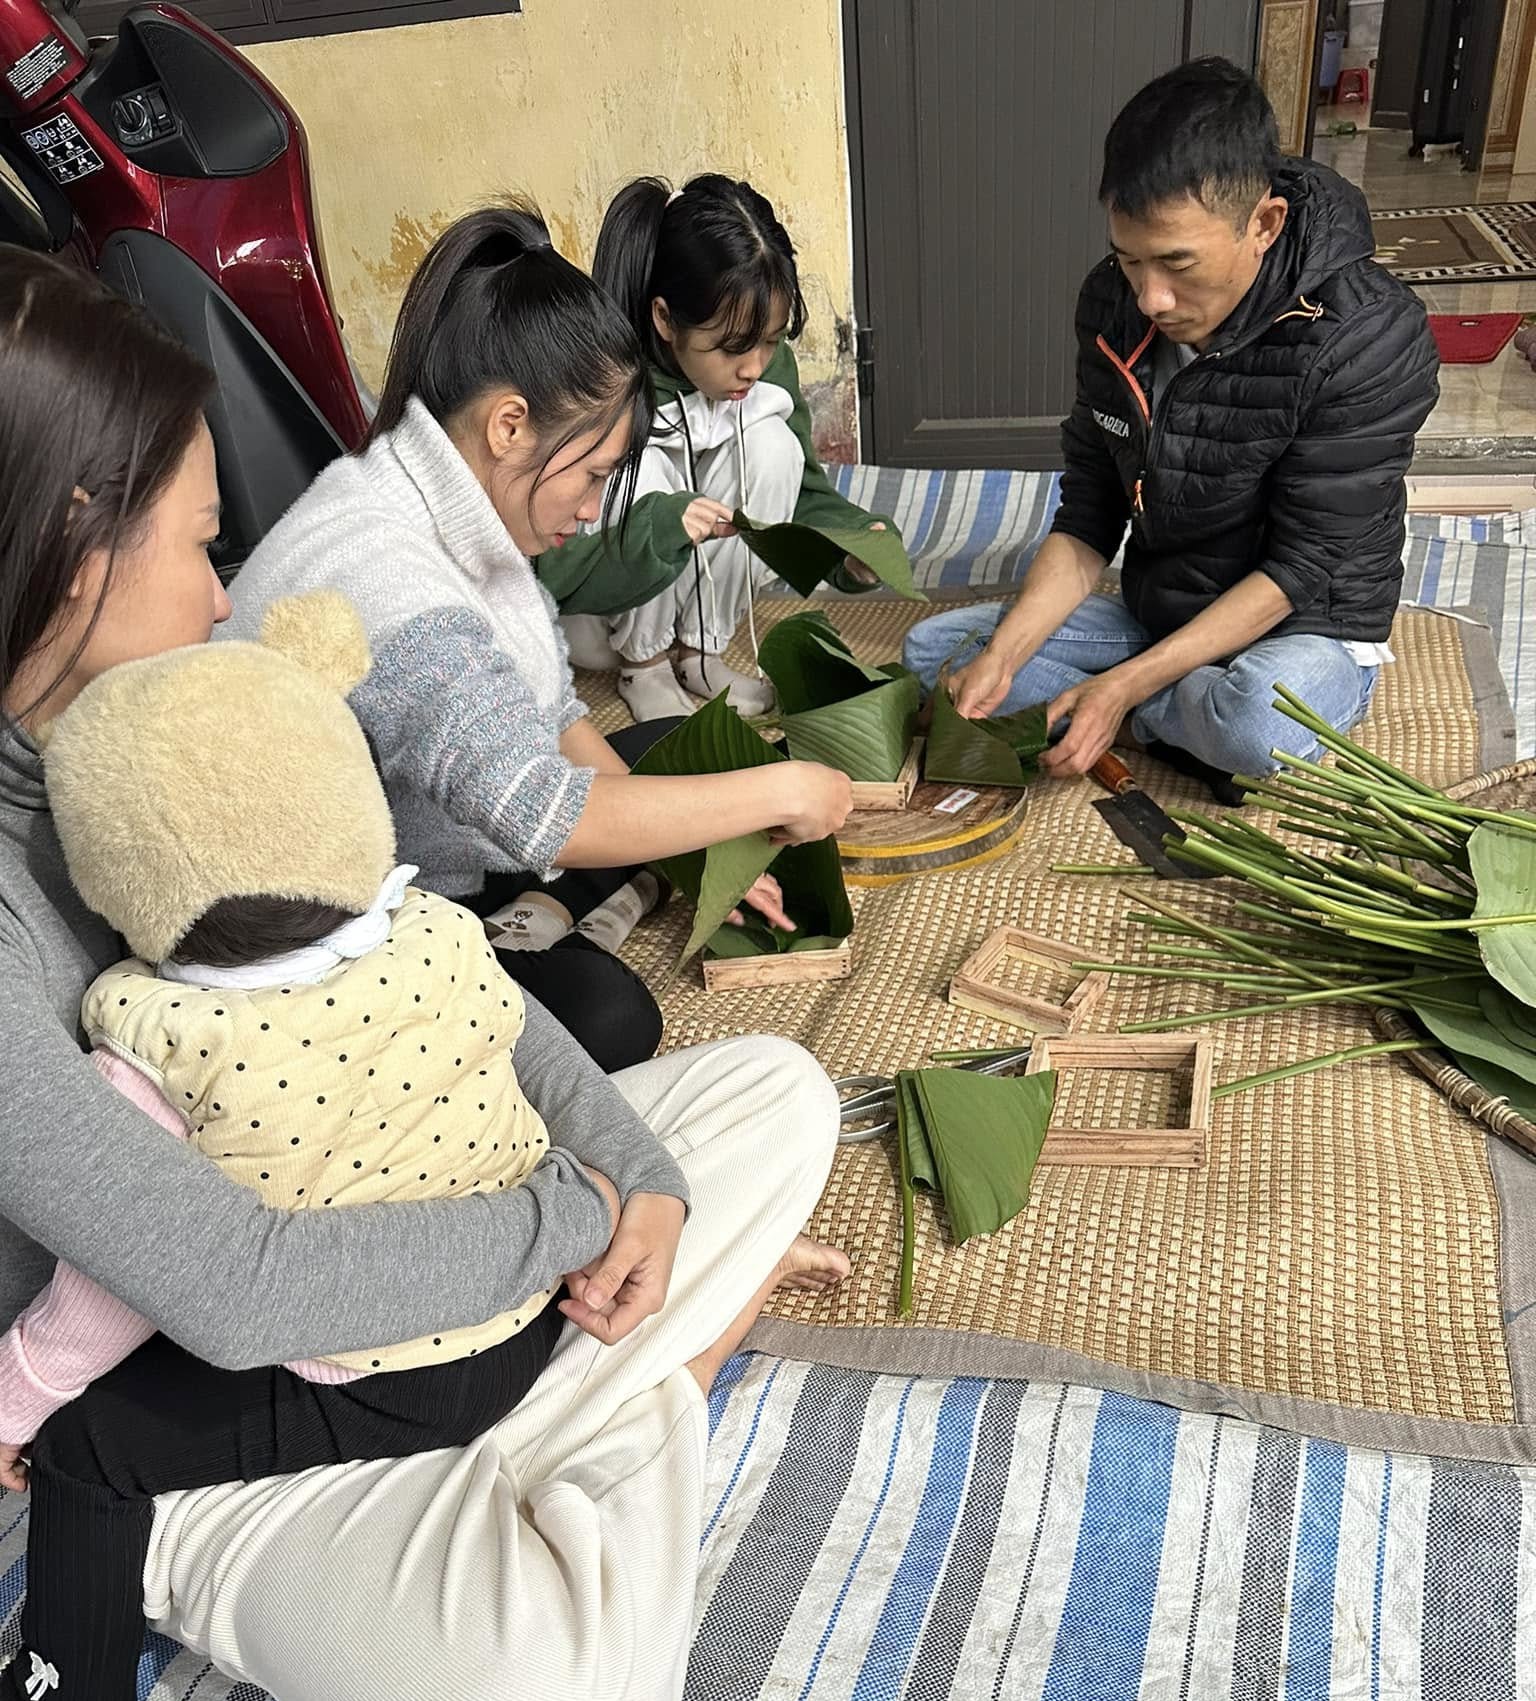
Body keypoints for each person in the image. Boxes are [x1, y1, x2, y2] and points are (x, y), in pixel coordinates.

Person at [0, 247, 844, 1701]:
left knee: (777, 1093)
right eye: (197, 545)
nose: (226, 592)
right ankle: (621, 1382)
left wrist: (641, 1173)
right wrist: (575, 1223)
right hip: (208, 1393)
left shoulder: (169, 712)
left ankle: (565, 1396)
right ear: (67, 549)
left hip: (400, 1228)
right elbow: (236, 1288)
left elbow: (404, 952)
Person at [227, 205, 854, 1072]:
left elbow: (559, 722)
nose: (596, 509)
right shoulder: (396, 584)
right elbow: (545, 813)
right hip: (337, 945)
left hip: (450, 827)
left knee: (679, 752)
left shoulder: (453, 498)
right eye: (595, 475)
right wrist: (775, 792)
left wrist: (703, 845)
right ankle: (521, 933)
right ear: (510, 425)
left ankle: (553, 913)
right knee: (609, 1018)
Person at [904, 58, 1439, 796]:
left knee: (1256, 724)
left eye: (1178, 264)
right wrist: (1007, 654)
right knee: (944, 652)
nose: (1151, 297)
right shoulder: (1112, 302)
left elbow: (1303, 566)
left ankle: (1132, 713)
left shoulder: (1369, 333)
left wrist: (1122, 688)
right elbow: (1091, 513)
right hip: (1164, 609)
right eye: (1129, 260)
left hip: (1303, 621)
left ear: (1264, 223)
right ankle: (1161, 712)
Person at [540, 175, 906, 721]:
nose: (753, 366)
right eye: (731, 347)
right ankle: (647, 667)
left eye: (770, 339)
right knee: (636, 472)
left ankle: (700, 653)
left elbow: (801, 490)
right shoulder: (602, 381)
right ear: (665, 319)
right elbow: (549, 564)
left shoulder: (761, 369)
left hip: (694, 594)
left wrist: (848, 549)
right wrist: (661, 525)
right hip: (598, 611)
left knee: (773, 447)